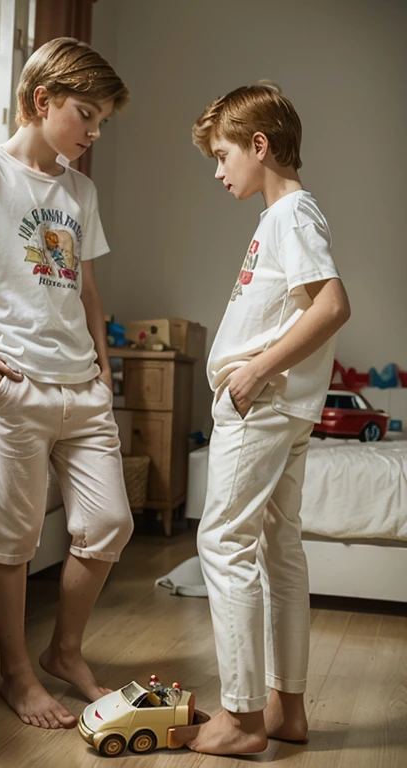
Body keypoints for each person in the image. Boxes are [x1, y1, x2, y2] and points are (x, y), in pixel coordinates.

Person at [0, 37, 134, 730]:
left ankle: (64, 651)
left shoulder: (81, 189)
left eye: (102, 120)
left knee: (110, 524)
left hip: (82, 391)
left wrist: (105, 375)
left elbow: (89, 292)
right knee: (11, 540)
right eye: (86, 114)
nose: (94, 132)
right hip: (15, 384)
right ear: (42, 101)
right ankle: (16, 674)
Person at [176, 81, 351, 755]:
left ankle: (244, 716)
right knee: (278, 549)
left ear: (259, 145)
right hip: (276, 405)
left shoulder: (292, 214)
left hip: (264, 404)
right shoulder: (279, 218)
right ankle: (286, 709)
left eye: (223, 156)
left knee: (222, 542)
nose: (219, 172)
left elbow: (331, 306)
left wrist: (252, 371)